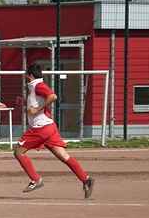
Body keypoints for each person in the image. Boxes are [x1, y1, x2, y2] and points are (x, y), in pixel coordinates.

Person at [14, 64, 94, 198]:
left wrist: (37, 109)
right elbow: (37, 103)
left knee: (18, 152)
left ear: (30, 75)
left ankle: (36, 179)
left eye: (25, 73)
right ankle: (86, 179)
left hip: (40, 129)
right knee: (63, 156)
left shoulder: (38, 85)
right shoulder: (33, 87)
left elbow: (53, 96)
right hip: (49, 128)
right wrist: (24, 103)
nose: (24, 76)